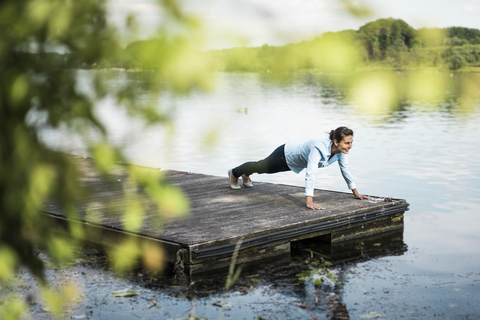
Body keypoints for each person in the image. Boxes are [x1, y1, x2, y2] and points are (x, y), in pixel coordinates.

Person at [228, 126, 372, 210]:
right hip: (285, 154)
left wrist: (356, 193)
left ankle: (246, 174)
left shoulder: (341, 152)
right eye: (347, 143)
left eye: (351, 142)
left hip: (294, 163)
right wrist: (309, 201)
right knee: (261, 167)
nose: (350, 146)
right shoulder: (318, 147)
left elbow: (345, 170)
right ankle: (235, 173)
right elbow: (311, 173)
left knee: (260, 168)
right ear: (336, 141)